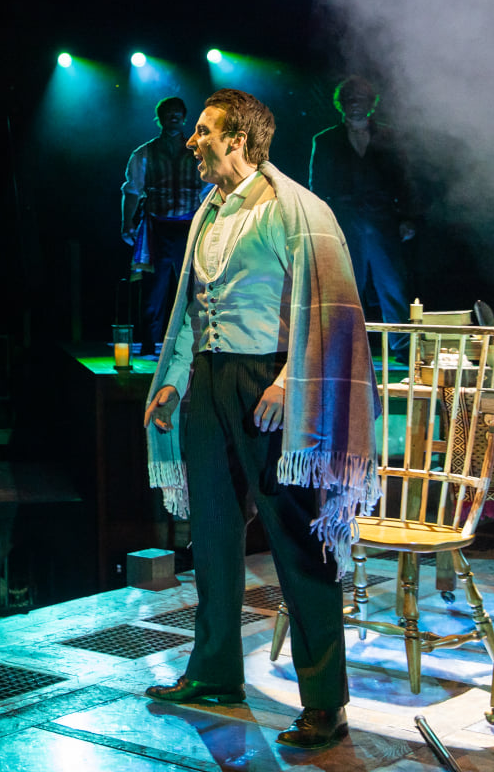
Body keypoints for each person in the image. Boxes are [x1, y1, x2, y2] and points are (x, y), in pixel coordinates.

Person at [140, 89, 379, 751]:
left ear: (239, 140)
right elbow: (193, 307)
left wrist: (289, 383)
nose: (193, 142)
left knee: (298, 541)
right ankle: (215, 674)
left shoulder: (295, 209)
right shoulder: (209, 210)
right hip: (212, 382)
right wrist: (176, 380)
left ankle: (325, 703)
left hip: (271, 383)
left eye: (205, 132)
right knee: (213, 536)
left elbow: (330, 310)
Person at [309, 76, 417, 336]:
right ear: (341, 104)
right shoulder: (325, 140)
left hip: (383, 220)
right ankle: (344, 345)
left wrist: (408, 217)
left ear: (371, 103)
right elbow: (317, 187)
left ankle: (401, 347)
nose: (355, 103)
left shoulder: (389, 137)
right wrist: (321, 224)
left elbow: (404, 179)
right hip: (345, 221)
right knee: (346, 285)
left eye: (360, 98)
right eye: (350, 99)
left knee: (393, 286)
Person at [121, 96, 202, 355]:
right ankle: (149, 344)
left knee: (193, 287)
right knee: (154, 289)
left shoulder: (199, 151)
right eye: (169, 113)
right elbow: (132, 190)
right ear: (160, 118)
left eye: (178, 113)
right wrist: (127, 223)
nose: (174, 117)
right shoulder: (144, 153)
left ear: (185, 117)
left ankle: (192, 343)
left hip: (190, 227)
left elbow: (212, 189)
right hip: (157, 227)